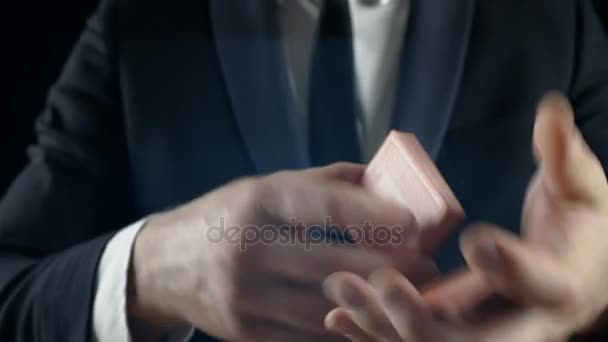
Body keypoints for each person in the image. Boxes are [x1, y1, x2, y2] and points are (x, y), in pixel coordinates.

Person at [0, 0, 607, 341]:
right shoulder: (139, 23)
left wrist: (594, 283)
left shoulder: (556, 20)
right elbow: (12, 288)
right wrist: (156, 270)